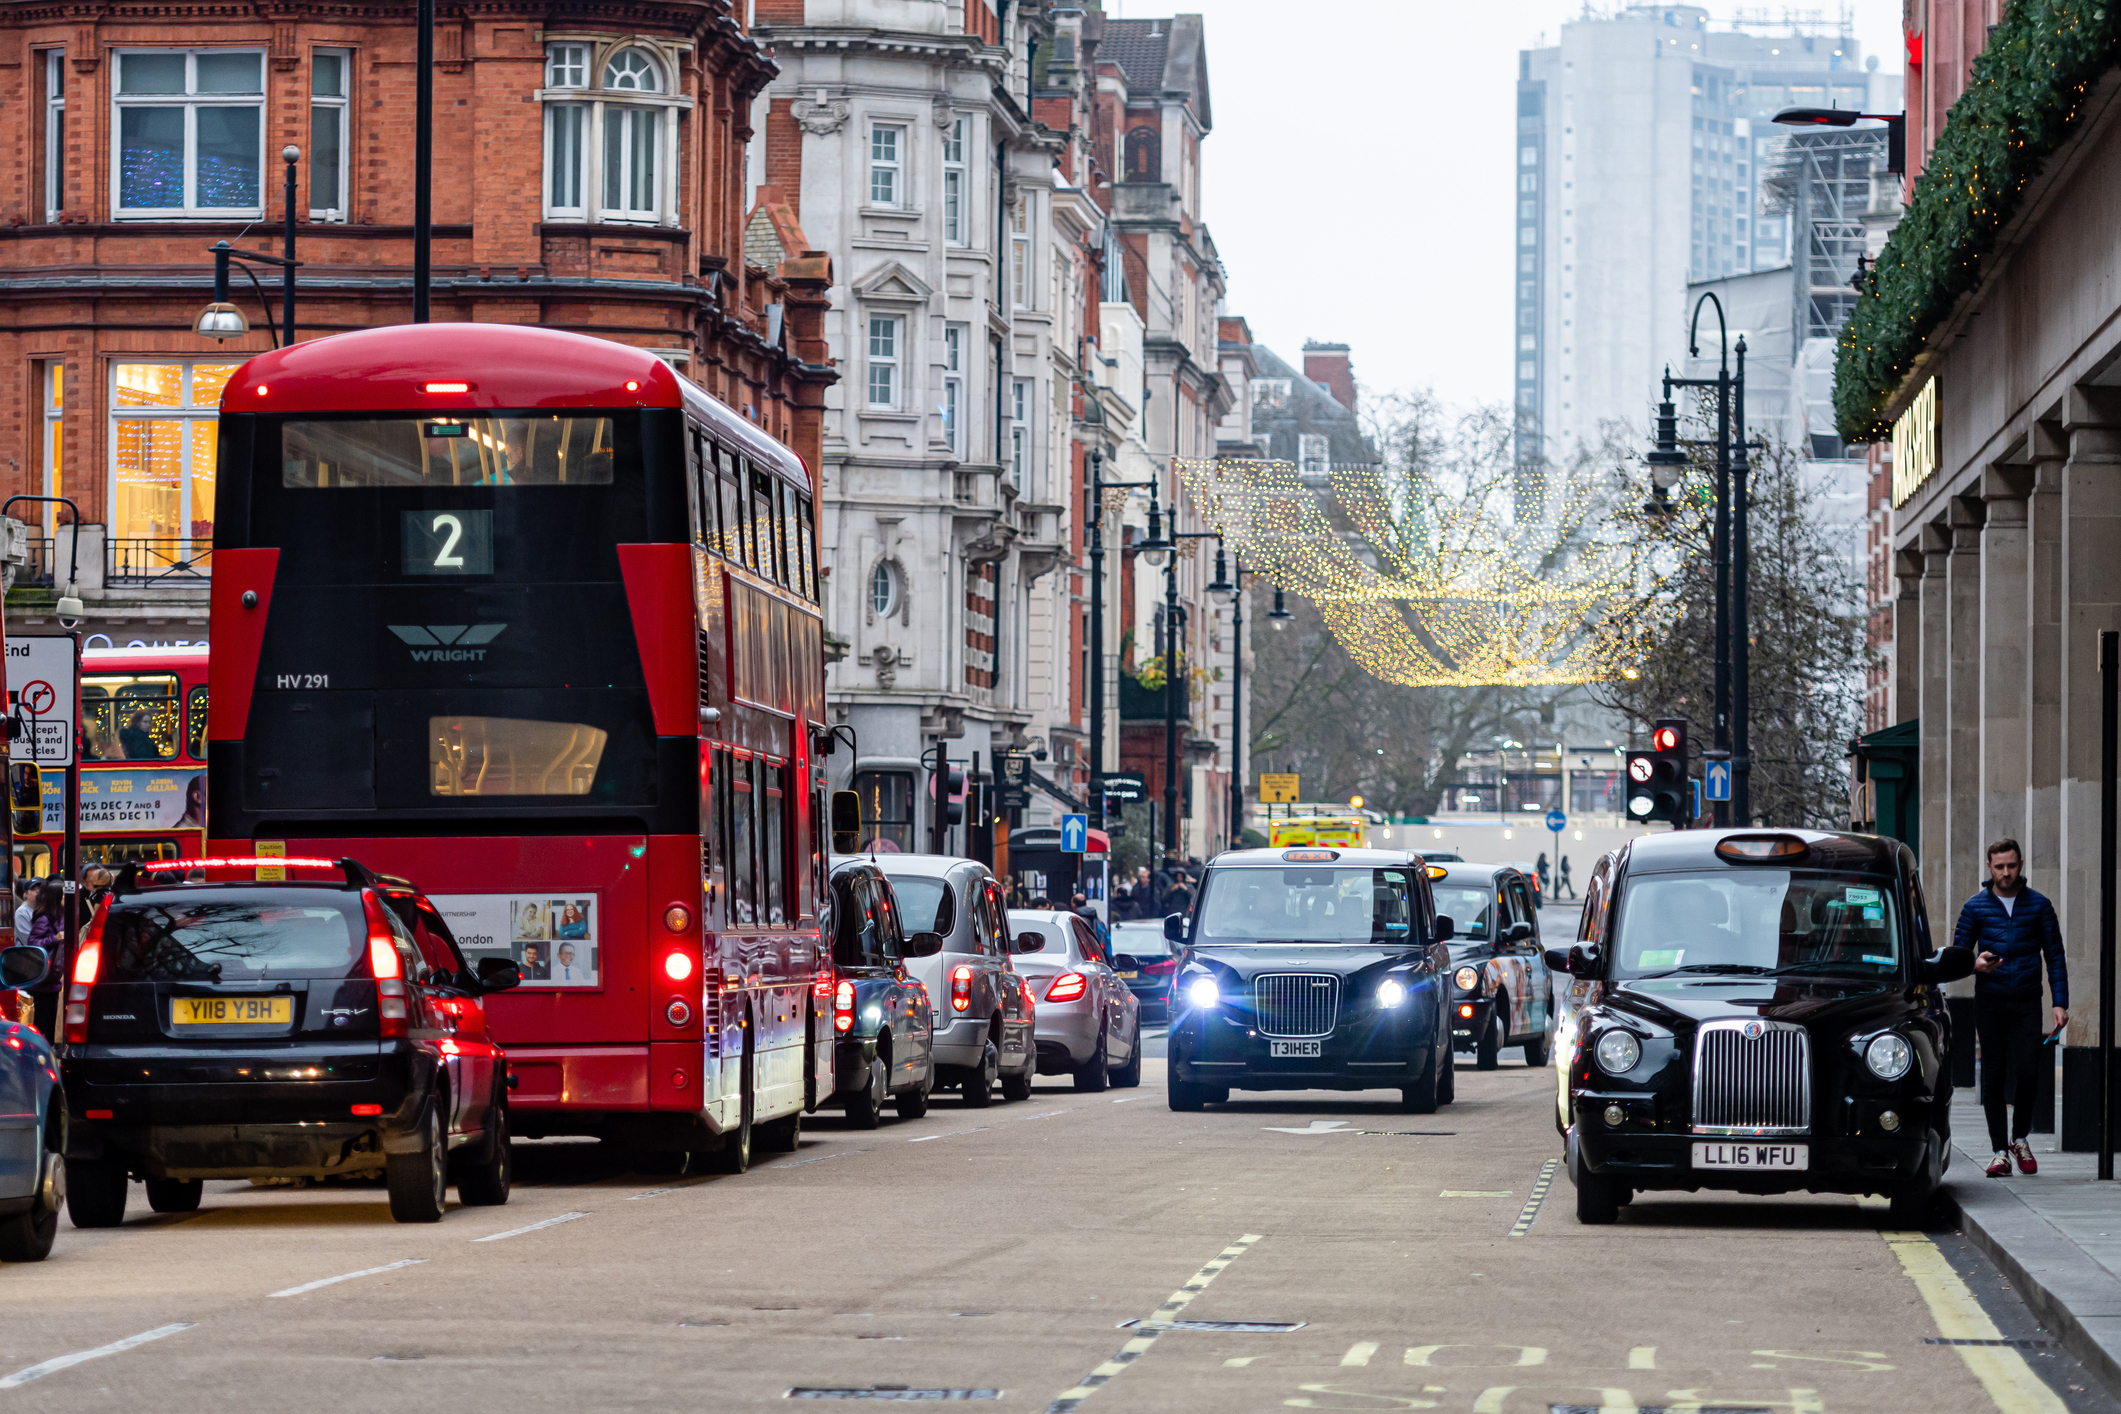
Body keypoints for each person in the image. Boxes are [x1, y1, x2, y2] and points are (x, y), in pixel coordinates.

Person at [1956, 838, 2068, 1178]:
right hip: (1990, 1001)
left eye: (2012, 865)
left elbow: (2055, 956)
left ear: (2021, 865)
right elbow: (1959, 955)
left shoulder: (2039, 906)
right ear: (1989, 867)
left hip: (2026, 1001)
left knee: (2028, 1071)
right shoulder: (1975, 907)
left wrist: (2060, 1001)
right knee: (1993, 1074)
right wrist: (1974, 964)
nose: (2006, 872)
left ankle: (2020, 1138)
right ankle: (1999, 1151)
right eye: (2000, 866)